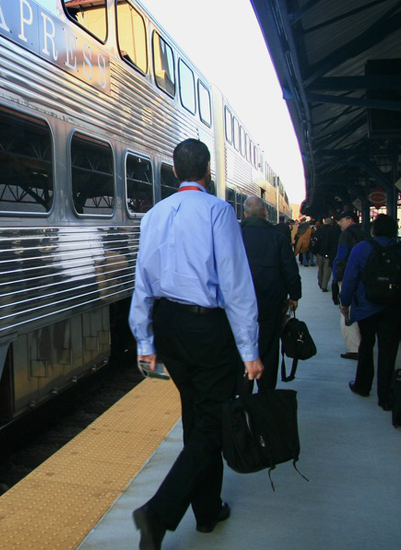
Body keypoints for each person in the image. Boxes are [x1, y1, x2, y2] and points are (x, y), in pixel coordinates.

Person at [128, 138, 262, 549]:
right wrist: (250, 351)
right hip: (207, 331)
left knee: (198, 417)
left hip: (169, 328)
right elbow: (236, 286)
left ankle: (207, 512)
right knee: (211, 425)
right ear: (207, 172)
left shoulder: (153, 215)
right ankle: (158, 512)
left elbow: (143, 283)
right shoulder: (219, 212)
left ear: (174, 171)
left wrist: (145, 341)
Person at [339, 213, 401, 411]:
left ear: (373, 230)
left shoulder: (361, 248)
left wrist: (345, 302)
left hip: (366, 307)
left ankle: (362, 386)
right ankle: (385, 397)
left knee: (367, 345)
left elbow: (350, 278)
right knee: (388, 350)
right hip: (393, 308)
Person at [239, 196, 301, 393]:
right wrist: (294, 296)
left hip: (239, 305)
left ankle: (243, 392)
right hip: (270, 304)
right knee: (269, 347)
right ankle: (265, 394)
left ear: (245, 214)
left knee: (241, 347)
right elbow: (290, 271)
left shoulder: (234, 236)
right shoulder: (279, 238)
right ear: (266, 213)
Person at [333, 210, 365, 358]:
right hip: (364, 278)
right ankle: (363, 344)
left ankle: (354, 348)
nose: (339, 223)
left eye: (341, 220)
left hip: (348, 277)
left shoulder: (345, 235)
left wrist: (337, 278)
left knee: (346, 310)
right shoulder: (364, 234)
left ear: (349, 219)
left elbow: (341, 257)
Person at [317, 216, 341, 293]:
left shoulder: (319, 230)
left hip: (320, 252)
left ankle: (320, 282)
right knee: (327, 269)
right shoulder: (335, 230)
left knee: (320, 268)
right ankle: (324, 285)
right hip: (329, 252)